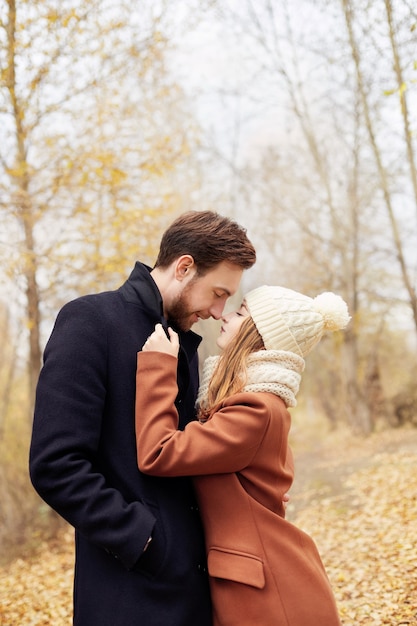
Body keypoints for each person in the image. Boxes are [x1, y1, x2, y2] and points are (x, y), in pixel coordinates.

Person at [29, 210, 257, 626]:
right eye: (218, 292)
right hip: (129, 593)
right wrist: (145, 539)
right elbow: (55, 465)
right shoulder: (89, 322)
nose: (220, 310)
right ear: (185, 267)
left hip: (197, 590)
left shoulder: (185, 343)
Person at [135, 285, 350, 626]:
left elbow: (159, 452)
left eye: (240, 312)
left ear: (260, 334)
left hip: (268, 592)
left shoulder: (255, 409)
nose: (224, 314)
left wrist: (157, 367)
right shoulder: (253, 403)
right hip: (255, 579)